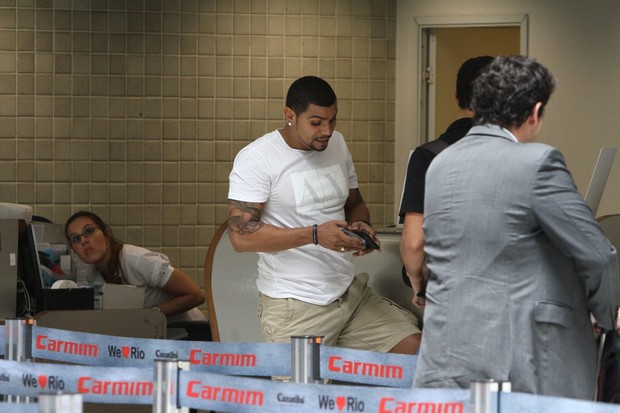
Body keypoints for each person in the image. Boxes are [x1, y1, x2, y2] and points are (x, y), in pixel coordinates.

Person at [412, 55, 620, 400]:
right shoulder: (538, 163)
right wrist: (606, 317)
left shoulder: (440, 164)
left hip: (446, 352)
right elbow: (598, 254)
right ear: (535, 112)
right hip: (521, 358)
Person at [227, 76, 421, 355]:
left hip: (350, 296)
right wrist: (316, 235)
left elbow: (355, 203)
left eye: (332, 120)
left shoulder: (337, 144)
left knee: (418, 354)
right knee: (303, 397)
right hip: (296, 306)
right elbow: (240, 237)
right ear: (289, 115)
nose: (327, 130)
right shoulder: (258, 158)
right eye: (316, 122)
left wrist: (361, 225)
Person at [399, 56, 493, 307]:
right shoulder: (521, 157)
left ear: (456, 97)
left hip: (450, 292)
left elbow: (414, 242)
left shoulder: (427, 156)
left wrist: (419, 286)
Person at [65, 211, 207, 326]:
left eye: (88, 231)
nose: (84, 240)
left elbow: (196, 296)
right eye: (76, 239)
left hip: (188, 332)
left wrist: (148, 314)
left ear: (106, 234)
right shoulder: (93, 275)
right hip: (153, 335)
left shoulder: (138, 260)